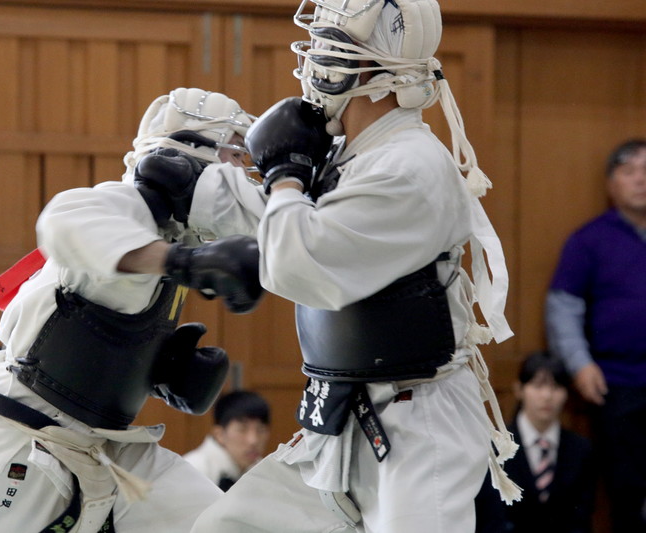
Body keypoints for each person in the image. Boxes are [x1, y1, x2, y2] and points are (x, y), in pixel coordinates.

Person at [145, 1, 521, 531]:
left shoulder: (410, 166)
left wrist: (284, 175)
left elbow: (301, 262)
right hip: (341, 413)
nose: (314, 59)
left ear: (368, 68)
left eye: (329, 43)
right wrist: (191, 181)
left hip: (416, 424)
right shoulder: (354, 153)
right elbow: (280, 220)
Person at [0, 87, 265, 533]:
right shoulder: (127, 207)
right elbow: (62, 220)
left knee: (230, 526)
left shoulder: (168, 238)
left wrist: (151, 371)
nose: (241, 173)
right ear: (185, 160)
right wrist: (182, 263)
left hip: (108, 447)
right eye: (234, 156)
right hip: (15, 443)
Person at [545, 138, 646, 533]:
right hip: (616, 385)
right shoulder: (588, 241)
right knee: (626, 490)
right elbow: (563, 308)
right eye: (630, 171)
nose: (641, 179)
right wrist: (580, 365)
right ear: (611, 184)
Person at [474, 351, 595, 533]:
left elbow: (581, 521)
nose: (547, 396)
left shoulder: (580, 449)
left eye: (555, 387)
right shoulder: (495, 447)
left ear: (566, 393)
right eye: (538, 386)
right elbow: (490, 518)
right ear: (519, 390)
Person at [183, 390, 271, 491]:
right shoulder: (194, 469)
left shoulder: (264, 471)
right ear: (219, 434)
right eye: (242, 430)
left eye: (261, 430)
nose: (253, 440)